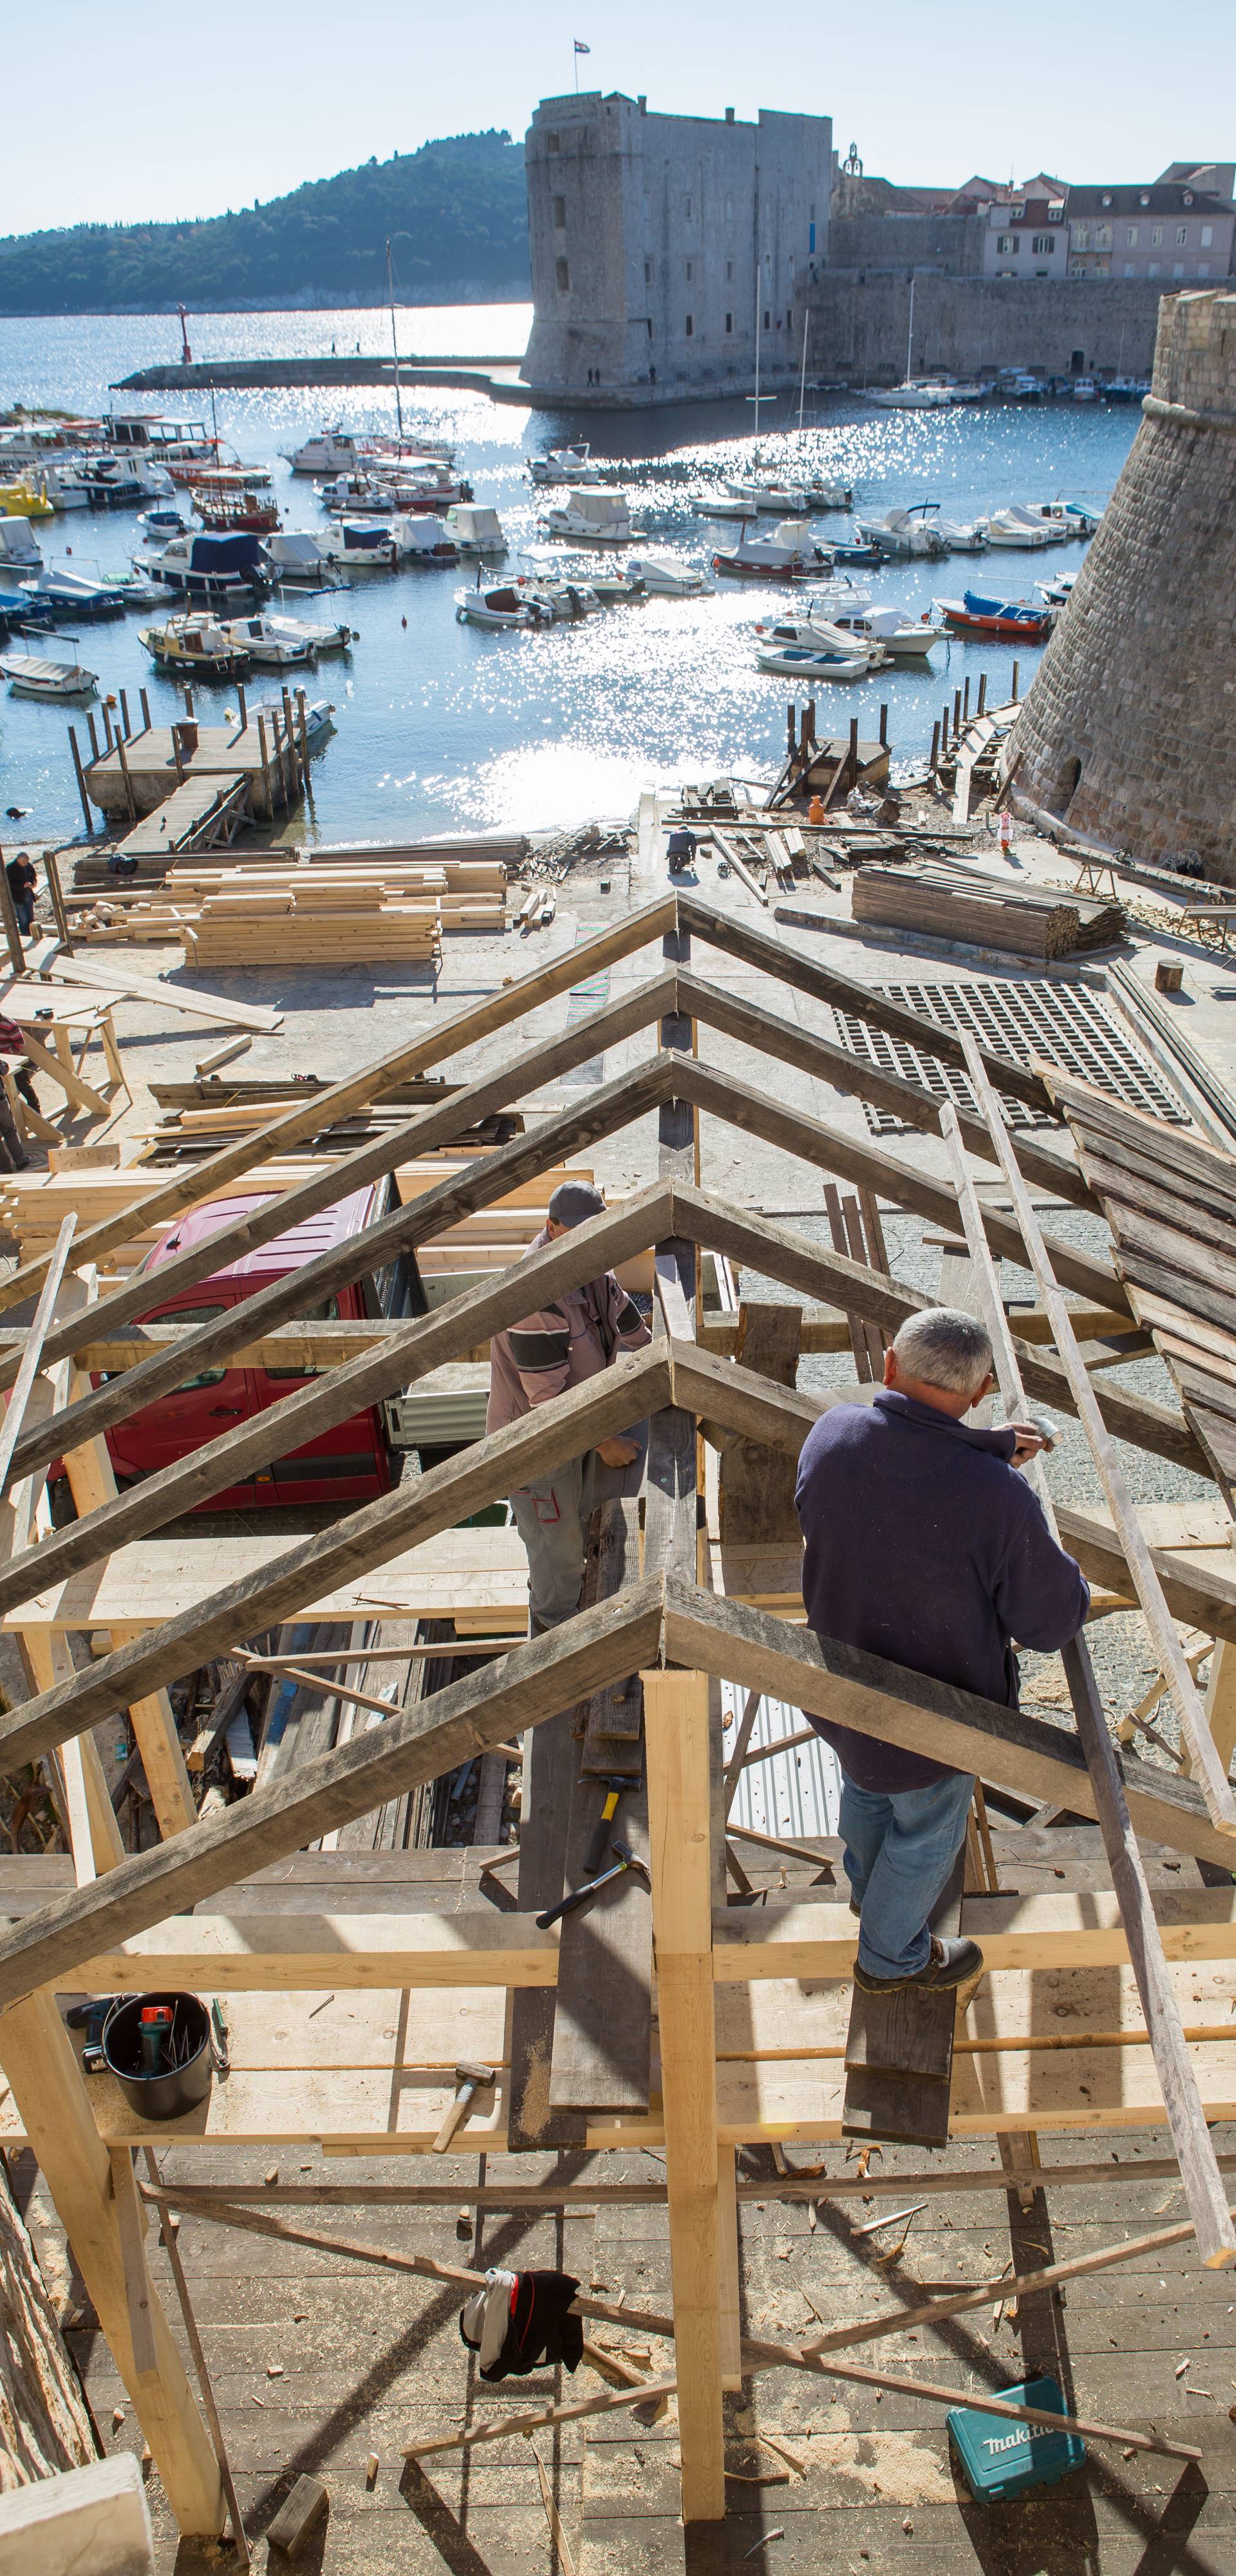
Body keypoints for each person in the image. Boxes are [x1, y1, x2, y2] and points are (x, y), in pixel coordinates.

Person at [795, 1308, 1089, 1998]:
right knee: (926, 1834)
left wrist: (981, 1451)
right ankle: (890, 1959)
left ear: (891, 1365)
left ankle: (872, 1899)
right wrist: (995, 1479)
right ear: (983, 1390)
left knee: (866, 1791)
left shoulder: (832, 1434)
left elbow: (903, 1474)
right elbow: (1050, 1621)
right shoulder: (999, 1500)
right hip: (938, 1714)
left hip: (843, 1685)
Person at [489, 1180, 651, 1633]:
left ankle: (573, 1614)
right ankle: (553, 1646)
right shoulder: (536, 1298)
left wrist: (662, 1354)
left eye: (596, 1231)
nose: (587, 1242)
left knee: (573, 1533)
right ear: (552, 1228)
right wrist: (604, 1445)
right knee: (555, 1556)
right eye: (577, 1232)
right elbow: (549, 1404)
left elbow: (626, 1321)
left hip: (576, 1428)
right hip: (537, 1449)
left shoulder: (592, 1269)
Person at [5, 853, 36, 938]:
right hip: (18, 897)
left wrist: (33, 882)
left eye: (27, 862)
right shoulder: (10, 868)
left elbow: (33, 875)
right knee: (23, 919)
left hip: (28, 894)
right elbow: (9, 884)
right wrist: (22, 885)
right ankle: (25, 936)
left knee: (31, 916)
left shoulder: (28, 865)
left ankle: (33, 934)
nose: (26, 864)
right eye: (24, 863)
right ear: (18, 860)